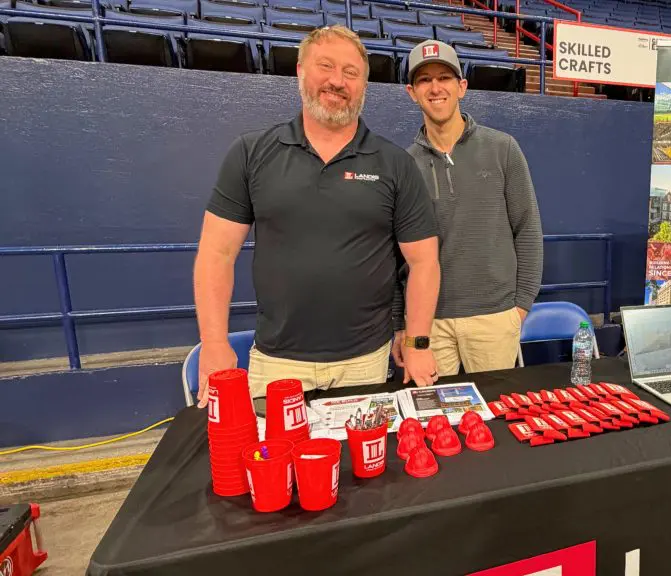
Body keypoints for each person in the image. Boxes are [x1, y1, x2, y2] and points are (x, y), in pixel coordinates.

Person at [192, 26, 441, 407]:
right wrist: (213, 344)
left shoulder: (395, 164)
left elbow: (423, 261)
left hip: (365, 361)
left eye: (351, 72)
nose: (337, 81)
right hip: (277, 363)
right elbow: (216, 253)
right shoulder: (251, 153)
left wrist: (418, 343)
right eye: (325, 66)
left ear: (364, 86)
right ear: (300, 71)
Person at [393, 40, 543, 377]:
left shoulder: (503, 148)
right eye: (424, 80)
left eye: (444, 77)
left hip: (494, 317)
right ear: (411, 92)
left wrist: (520, 306)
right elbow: (395, 253)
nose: (435, 88)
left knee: (497, 409)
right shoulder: (403, 165)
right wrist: (400, 323)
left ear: (461, 86)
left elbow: (528, 229)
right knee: (433, 409)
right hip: (428, 323)